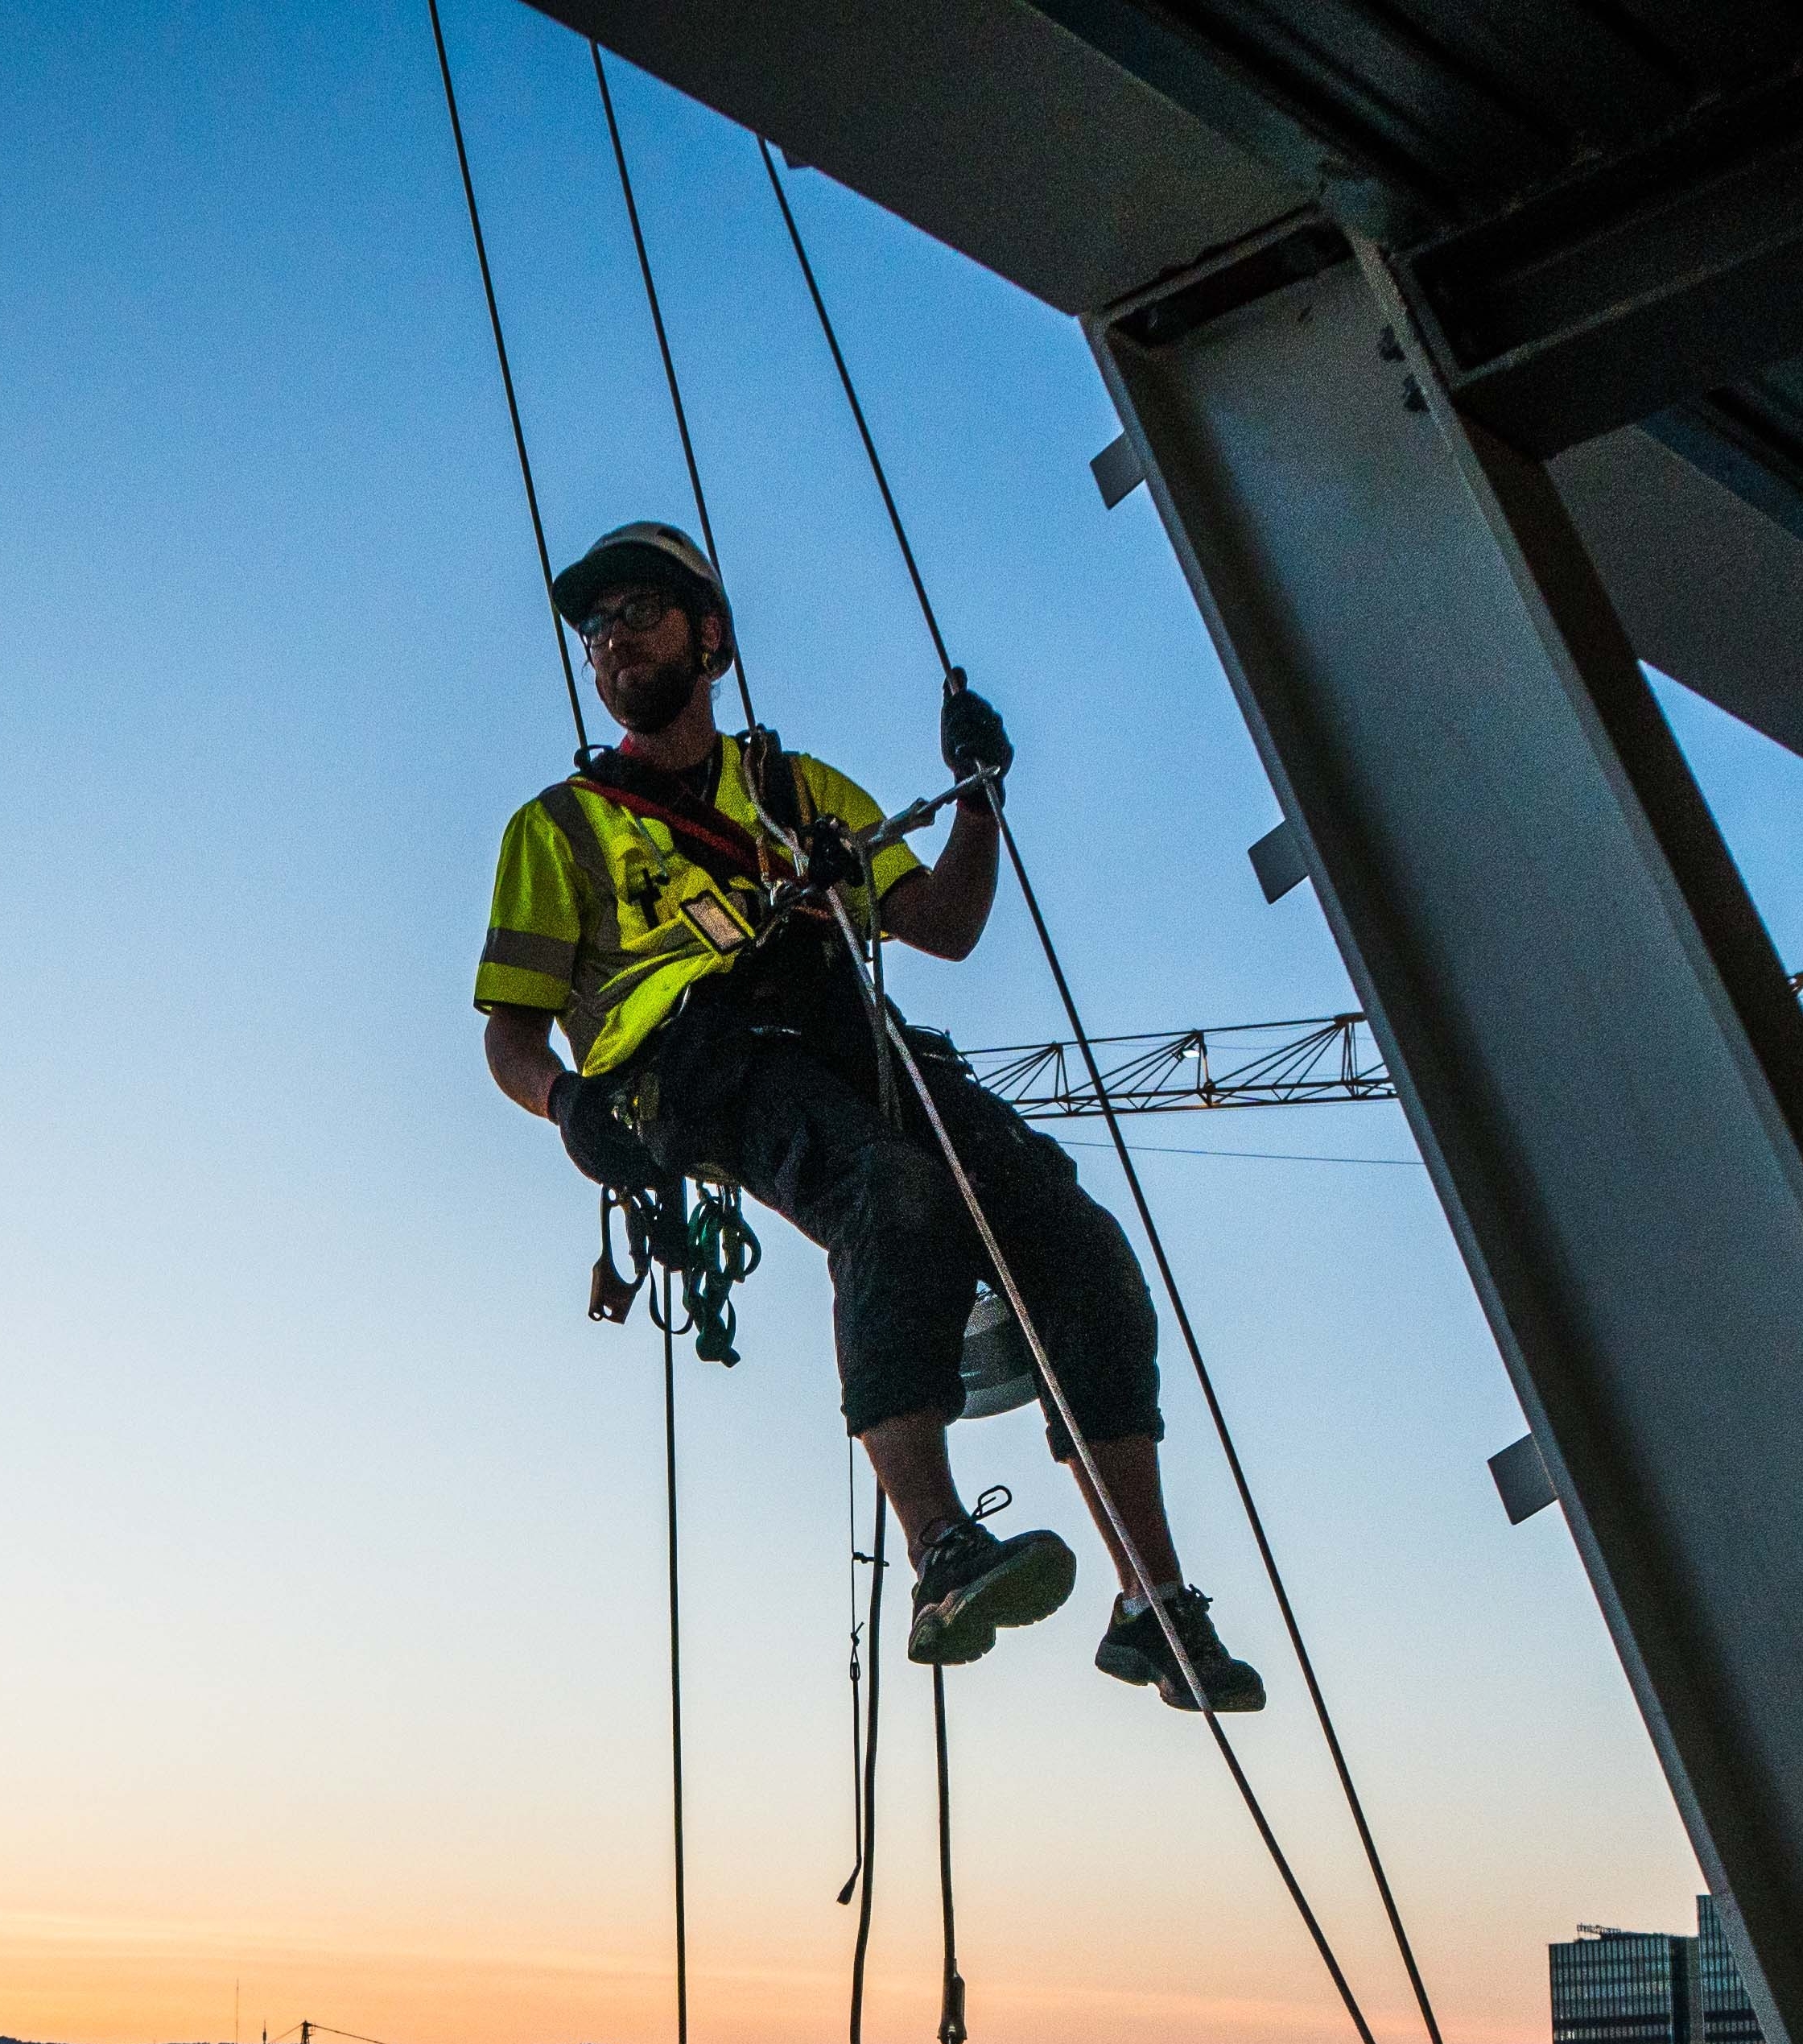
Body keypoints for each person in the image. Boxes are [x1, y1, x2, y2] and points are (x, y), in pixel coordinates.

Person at [477, 520, 1262, 1709]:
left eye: (638, 610)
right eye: (595, 628)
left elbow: (942, 926)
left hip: (841, 1029)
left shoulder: (796, 792)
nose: (612, 640)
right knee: (890, 1195)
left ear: (711, 636)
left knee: (1072, 1236)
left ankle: (1154, 1605)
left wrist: (980, 803)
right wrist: (568, 1108)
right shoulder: (558, 827)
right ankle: (940, 1555)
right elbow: (510, 1035)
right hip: (693, 1062)